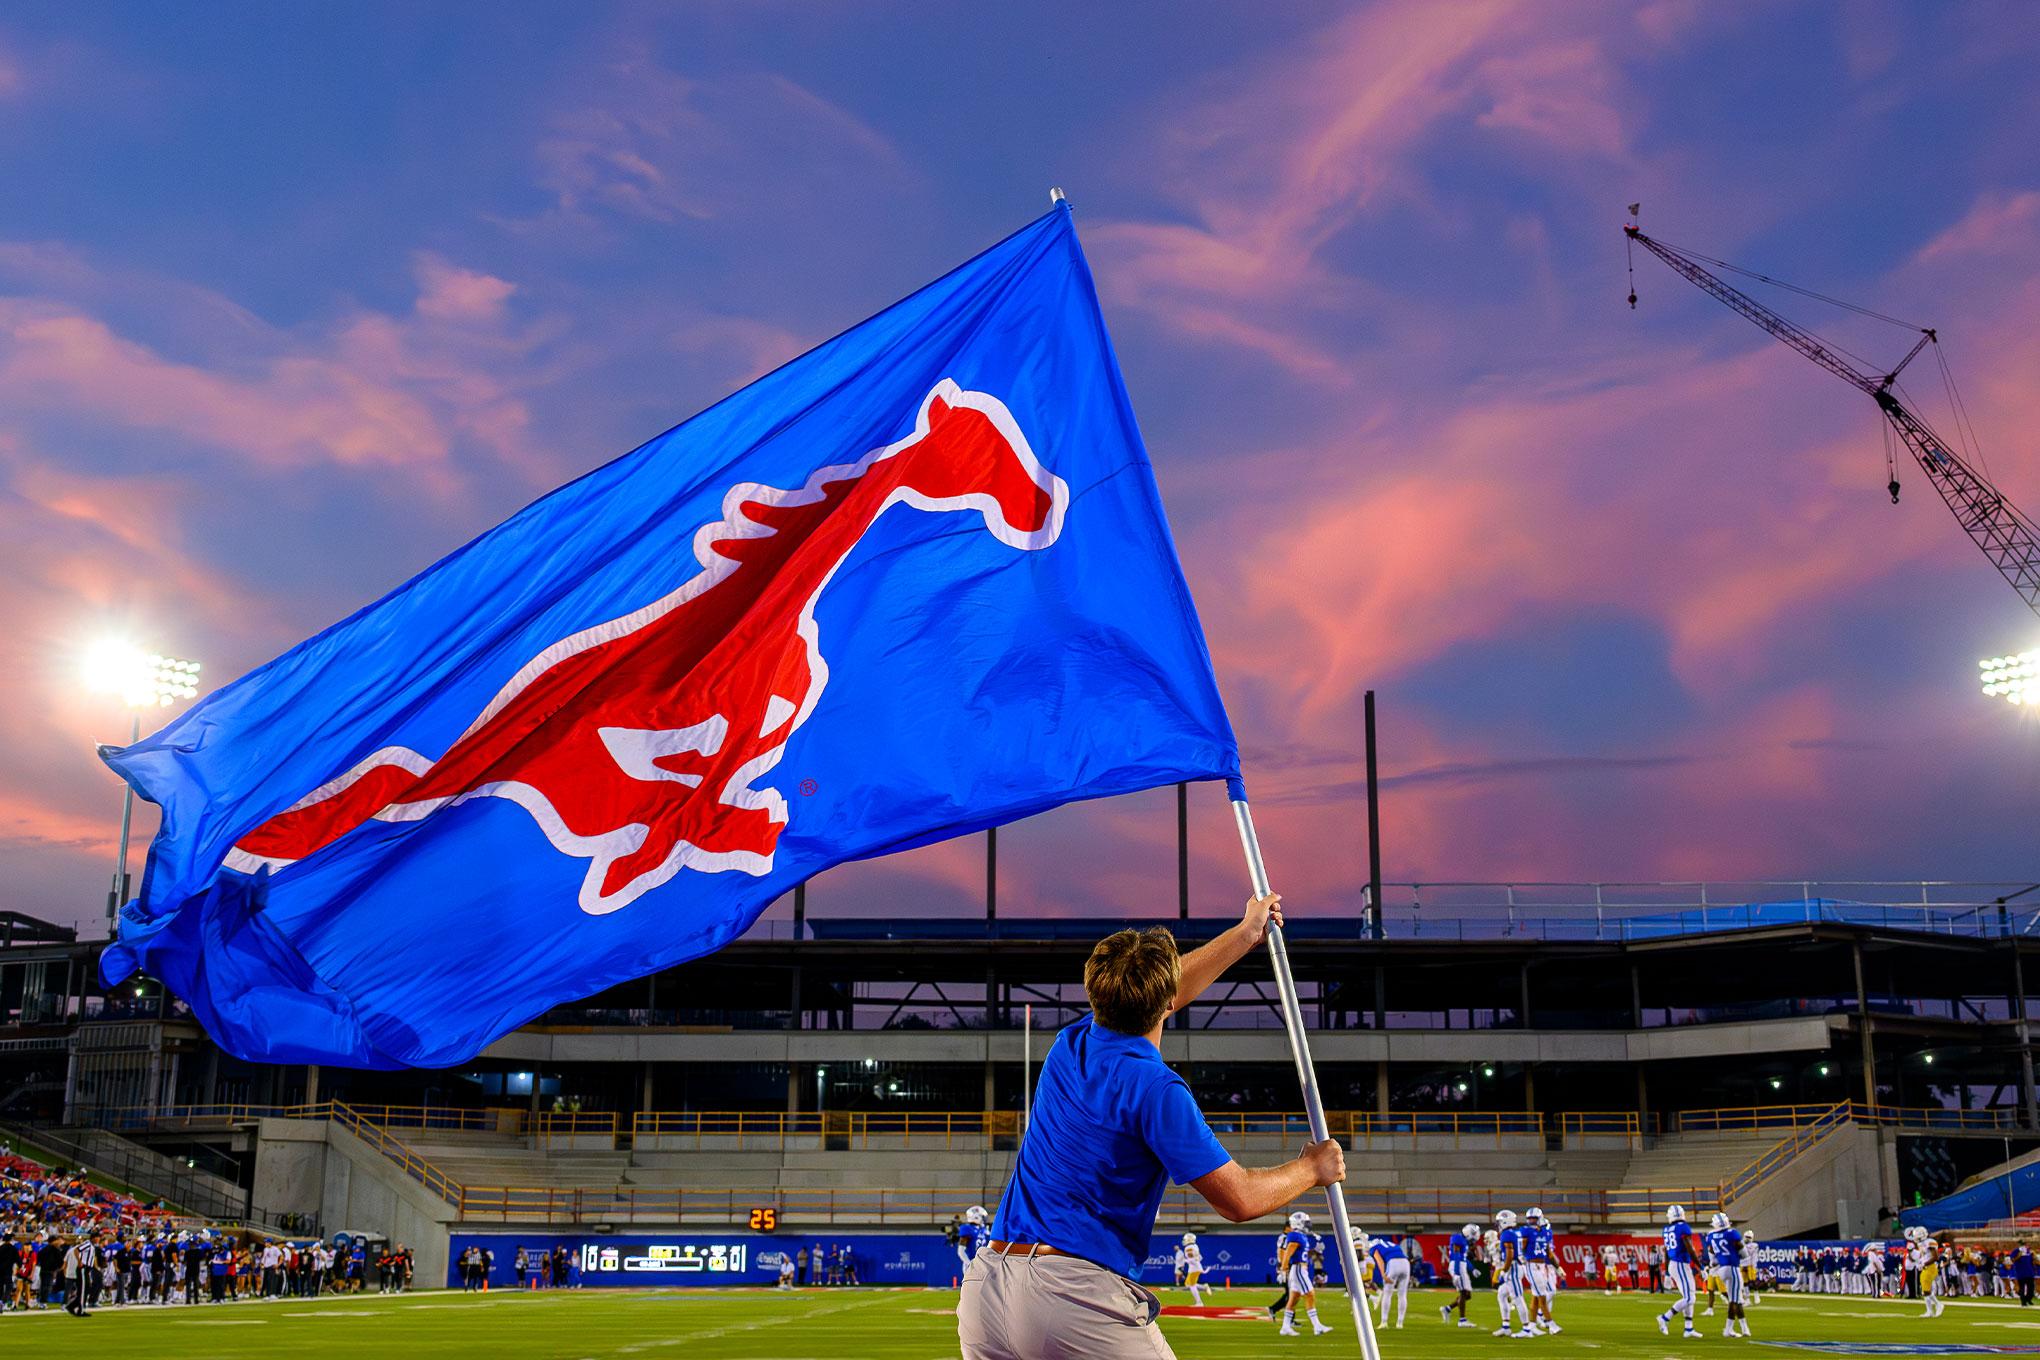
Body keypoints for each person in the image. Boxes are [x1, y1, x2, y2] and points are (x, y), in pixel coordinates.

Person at [957, 894, 1346, 1360]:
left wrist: (1246, 935)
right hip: (1069, 1295)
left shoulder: (1070, 1045)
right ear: (1165, 1003)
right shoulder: (1157, 1089)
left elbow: (1160, 992)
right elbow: (1239, 1199)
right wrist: (1311, 1168)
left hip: (988, 1285)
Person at [1276, 1211, 1332, 1337]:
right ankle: (1317, 1326)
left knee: (1294, 1298)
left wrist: (1316, 1250)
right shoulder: (1295, 1235)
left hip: (1300, 1269)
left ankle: (1285, 1327)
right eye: (1306, 1222)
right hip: (1298, 1270)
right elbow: (1287, 1254)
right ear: (1299, 1223)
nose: (1308, 1224)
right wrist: (1283, 1270)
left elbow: (1303, 1255)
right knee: (1310, 1294)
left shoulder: (1301, 1236)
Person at [1656, 1205, 1701, 1339]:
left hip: (1675, 1264)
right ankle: (1665, 1318)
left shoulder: (1667, 1229)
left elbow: (1667, 1252)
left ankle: (1688, 1328)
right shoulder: (1683, 1227)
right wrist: (1701, 1267)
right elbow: (1690, 1249)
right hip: (1680, 1264)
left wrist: (1668, 1273)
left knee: (1689, 1296)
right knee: (1689, 1298)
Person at [1704, 1212, 1750, 1339]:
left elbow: (1712, 1255)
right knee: (1734, 1301)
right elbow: (1744, 1253)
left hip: (1722, 1269)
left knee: (1737, 1299)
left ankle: (1745, 1328)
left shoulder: (1711, 1236)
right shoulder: (1732, 1233)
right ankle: (1728, 1329)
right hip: (1732, 1268)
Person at [1361, 1229, 1409, 1329]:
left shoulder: (1374, 1247)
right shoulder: (1391, 1244)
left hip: (1393, 1263)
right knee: (1402, 1294)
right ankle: (1400, 1323)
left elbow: (1380, 1261)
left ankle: (1384, 1322)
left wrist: (1383, 1274)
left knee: (1387, 1294)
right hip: (1405, 1263)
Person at [1439, 1223, 1477, 1326]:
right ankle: (1462, 1320)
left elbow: (1463, 1258)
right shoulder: (1457, 1238)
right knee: (1463, 1292)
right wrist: (1456, 1273)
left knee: (1467, 1295)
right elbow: (1456, 1256)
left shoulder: (1463, 1241)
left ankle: (1447, 1309)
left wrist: (1472, 1269)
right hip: (1457, 1266)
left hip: (1461, 1265)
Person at [957, 1206, 990, 1285]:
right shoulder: (967, 1229)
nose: (983, 1219)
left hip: (983, 1264)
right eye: (982, 1217)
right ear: (976, 1216)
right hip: (972, 1263)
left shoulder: (983, 1230)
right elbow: (960, 1251)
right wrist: (969, 1264)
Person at [1179, 1233, 1206, 1305]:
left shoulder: (1188, 1248)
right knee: (1188, 1284)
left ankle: (1199, 1302)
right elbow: (1200, 1257)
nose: (1184, 1241)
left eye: (1185, 1239)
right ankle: (1204, 1287)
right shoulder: (1195, 1246)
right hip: (1196, 1267)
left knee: (1192, 1285)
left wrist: (1185, 1261)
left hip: (1194, 1269)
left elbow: (1192, 1259)